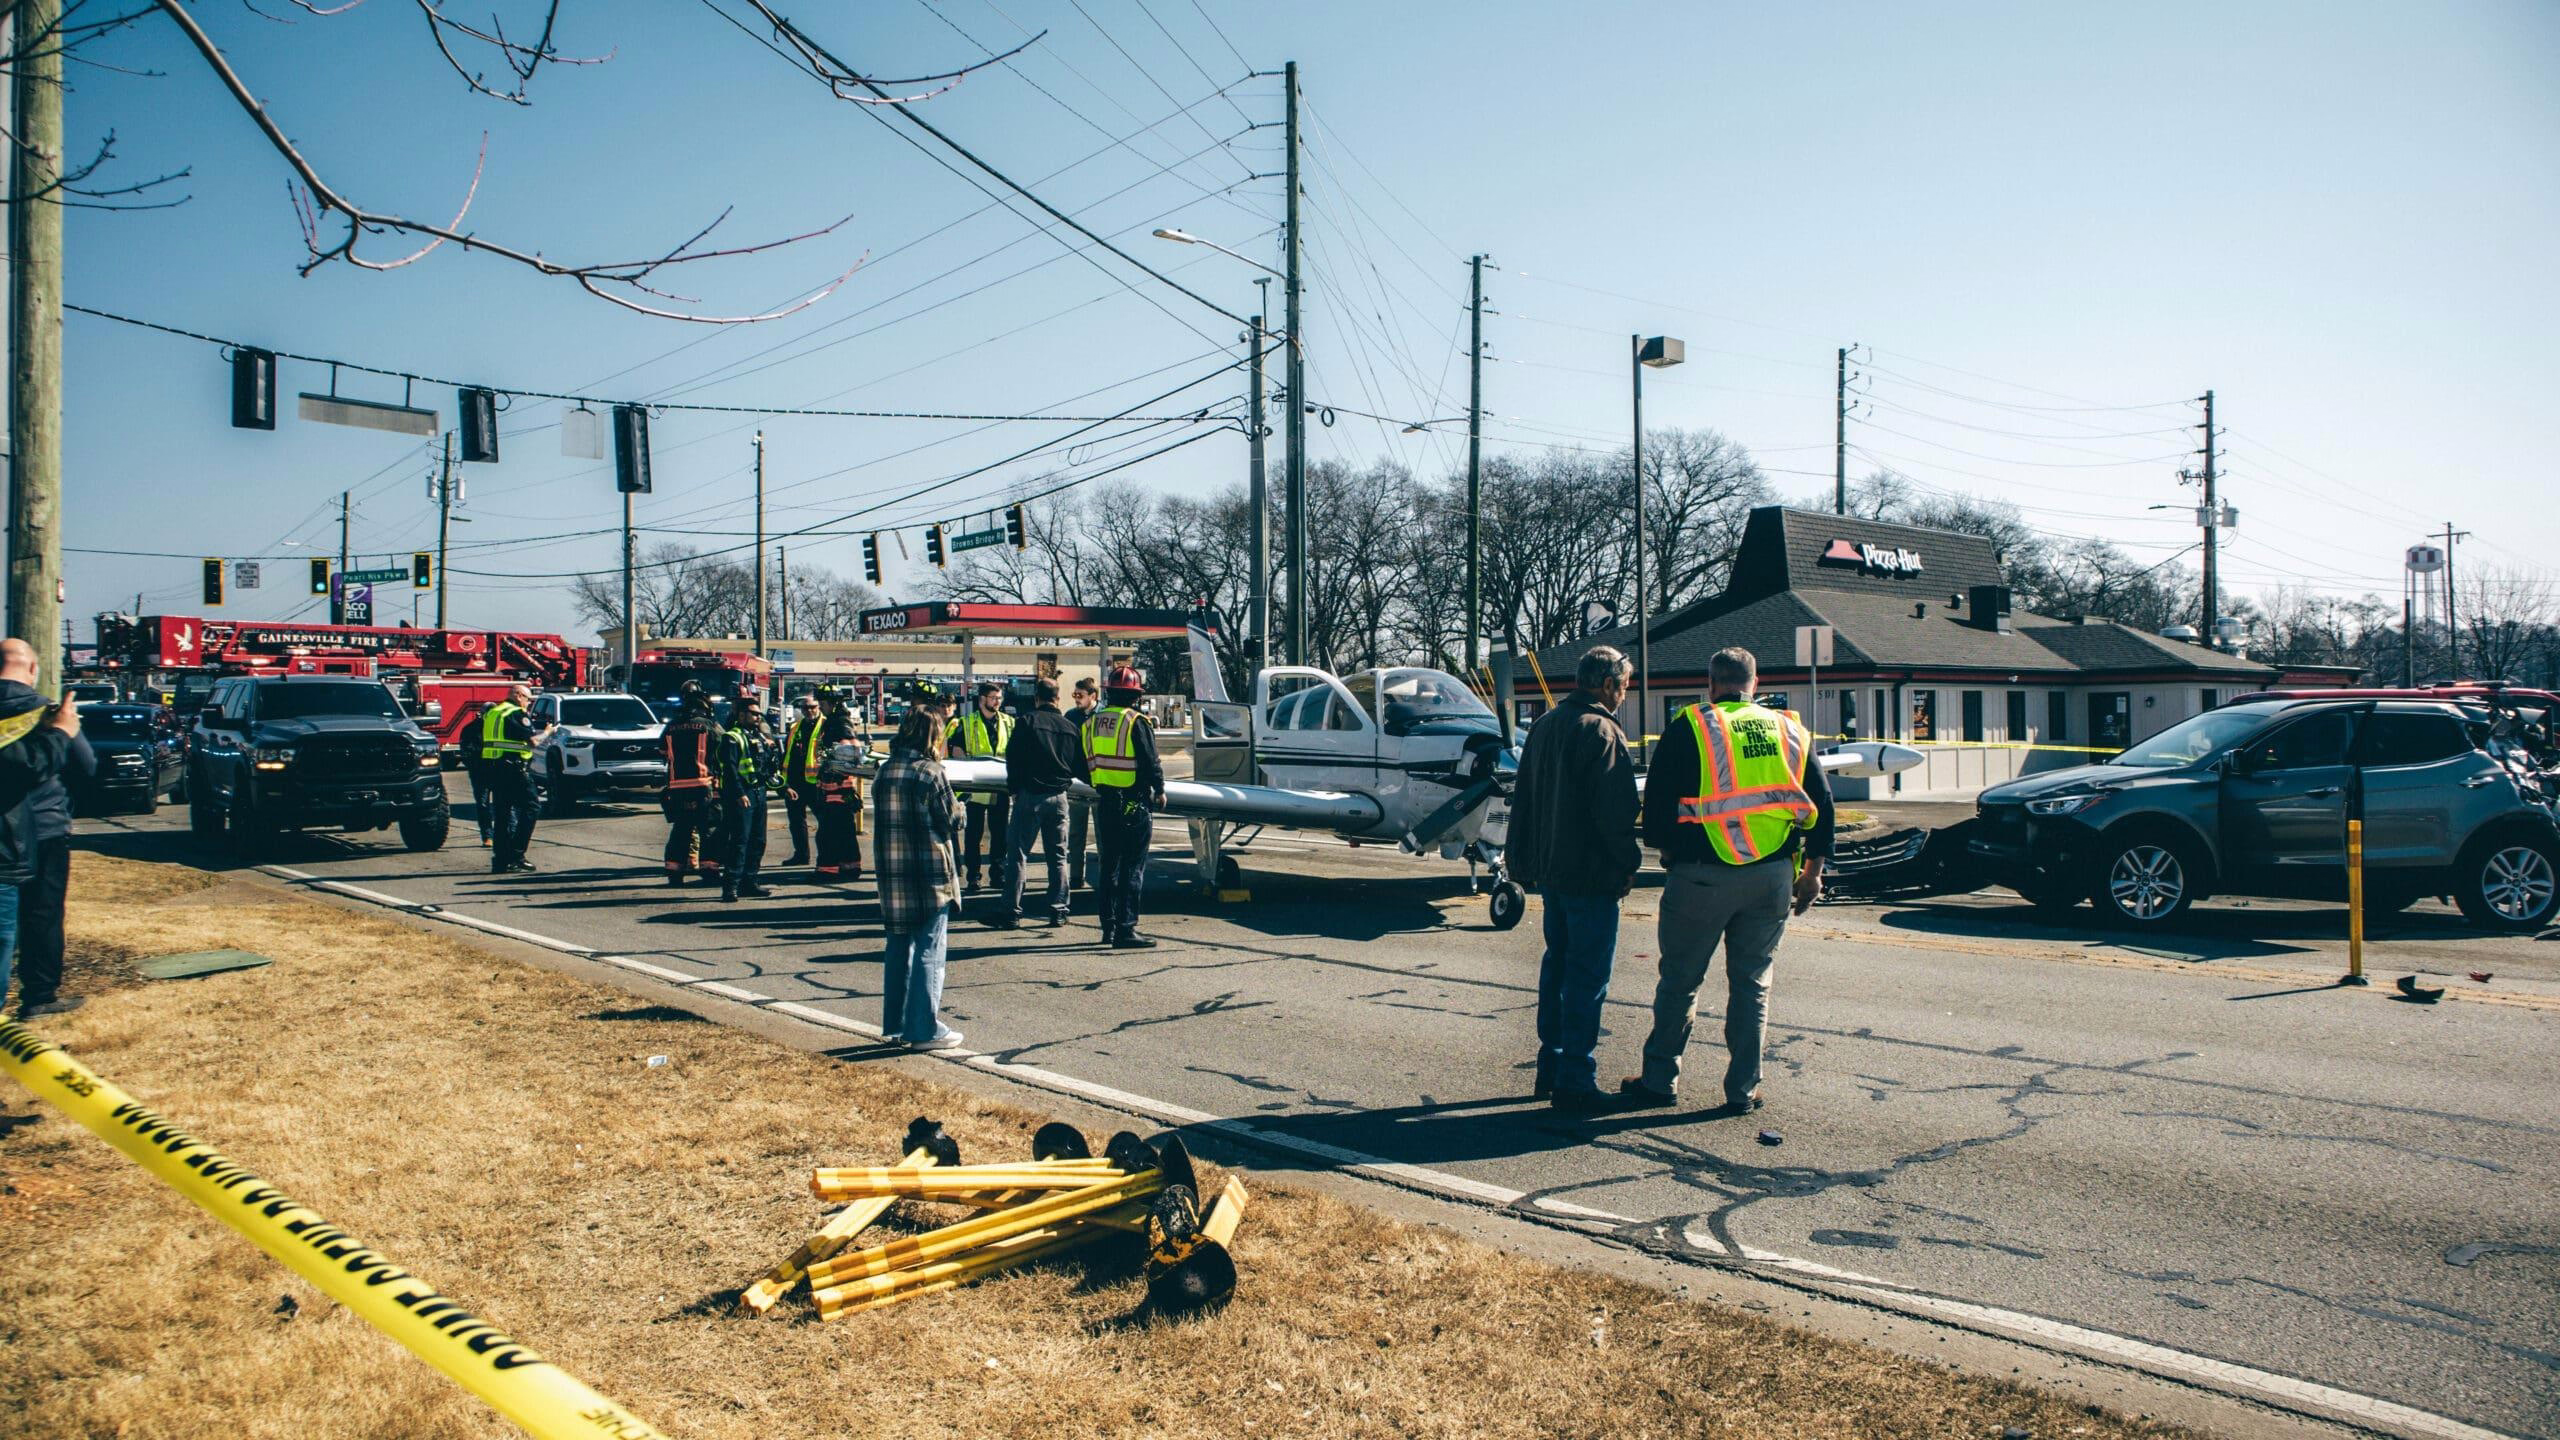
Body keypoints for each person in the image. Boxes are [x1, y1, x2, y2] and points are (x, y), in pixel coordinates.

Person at [1620, 646, 1831, 1115]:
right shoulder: (1790, 729)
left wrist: (1670, 852)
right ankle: (1743, 1090)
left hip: (1701, 875)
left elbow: (1654, 812)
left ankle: (1659, 1082)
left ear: (1711, 684)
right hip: (1773, 875)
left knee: (1680, 981)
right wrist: (1812, 873)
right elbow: (1824, 808)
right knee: (1753, 984)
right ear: (1756, 684)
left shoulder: (1693, 725)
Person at [1505, 645, 1641, 1113]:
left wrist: (1522, 860)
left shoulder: (1544, 725)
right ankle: (1576, 1077)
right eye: (1623, 685)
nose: (1624, 694)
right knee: (1586, 977)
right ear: (1606, 684)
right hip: (1590, 873)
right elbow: (1615, 811)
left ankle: (1552, 1062)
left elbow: (1523, 800)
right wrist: (1629, 863)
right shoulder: (1600, 730)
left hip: (1552, 871)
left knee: (1557, 968)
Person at [874, 693, 963, 1049]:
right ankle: (924, 1028)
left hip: (892, 872)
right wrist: (962, 809)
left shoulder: (885, 771)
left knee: (898, 947)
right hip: (929, 873)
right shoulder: (931, 772)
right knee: (930, 949)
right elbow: (951, 819)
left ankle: (895, 1024)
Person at [10, 650, 90, 1019]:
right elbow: (85, 766)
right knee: (43, 913)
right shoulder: (49, 713)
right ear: (33, 669)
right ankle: (40, 995)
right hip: (45, 827)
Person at [1082, 664, 1165, 949]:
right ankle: (1126, 929)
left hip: (1105, 800)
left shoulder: (1092, 722)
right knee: (1132, 866)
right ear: (1135, 695)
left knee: (1109, 866)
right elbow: (1150, 760)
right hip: (1134, 802)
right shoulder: (1136, 721)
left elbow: (1085, 762)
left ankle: (1108, 927)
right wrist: (1160, 789)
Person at [994, 676, 1087, 928]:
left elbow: (1013, 759)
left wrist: (1015, 789)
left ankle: (1011, 911)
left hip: (1030, 795)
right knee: (1057, 856)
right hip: (1059, 798)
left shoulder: (1026, 722)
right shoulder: (1070, 727)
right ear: (1058, 699)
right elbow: (1080, 766)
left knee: (1017, 854)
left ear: (1036, 698)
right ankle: (1058, 910)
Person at [946, 681, 1015, 894]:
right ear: (982, 699)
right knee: (973, 836)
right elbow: (956, 752)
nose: (998, 702)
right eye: (994, 698)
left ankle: (998, 874)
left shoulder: (1009, 722)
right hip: (975, 790)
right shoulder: (966, 723)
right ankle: (973, 877)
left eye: (1000, 698)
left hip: (1000, 787)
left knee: (1000, 835)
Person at [474, 684, 549, 875]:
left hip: (494, 768)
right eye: (527, 699)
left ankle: (500, 860)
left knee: (502, 814)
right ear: (517, 695)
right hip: (514, 768)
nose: (528, 703)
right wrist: (549, 732)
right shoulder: (515, 713)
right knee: (532, 807)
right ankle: (517, 855)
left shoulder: (493, 713)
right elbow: (532, 742)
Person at [715, 691, 779, 902]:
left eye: (759, 714)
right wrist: (739, 794)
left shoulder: (759, 736)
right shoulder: (731, 737)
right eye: (753, 714)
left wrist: (783, 787)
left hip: (760, 792)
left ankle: (750, 882)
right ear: (741, 715)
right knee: (740, 841)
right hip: (742, 794)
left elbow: (767, 768)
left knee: (758, 840)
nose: (757, 717)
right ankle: (730, 886)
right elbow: (730, 770)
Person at [661, 683, 724, 885]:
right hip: (704, 785)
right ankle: (709, 870)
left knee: (681, 830)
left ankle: (674, 872)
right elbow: (723, 749)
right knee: (709, 829)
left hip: (677, 787)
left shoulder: (671, 727)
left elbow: (663, 752)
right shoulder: (709, 726)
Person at [808, 687, 864, 883]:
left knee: (829, 834)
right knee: (843, 832)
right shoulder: (834, 722)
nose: (820, 708)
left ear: (833, 704)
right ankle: (849, 868)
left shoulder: (840, 724)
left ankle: (828, 871)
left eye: (822, 704)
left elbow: (852, 754)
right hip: (834, 788)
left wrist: (831, 768)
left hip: (838, 789)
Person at [1064, 675, 1098, 889]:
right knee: (1076, 832)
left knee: (1104, 832)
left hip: (1100, 781)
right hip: (1077, 781)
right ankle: (1076, 876)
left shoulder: (1104, 716)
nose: (1076, 699)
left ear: (1092, 696)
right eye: (1074, 695)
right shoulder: (1070, 716)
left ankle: (1105, 875)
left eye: (1080, 695)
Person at [779, 693, 821, 866]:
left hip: (817, 783)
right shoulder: (795, 727)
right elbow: (786, 755)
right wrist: (784, 783)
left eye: (813, 707)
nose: (809, 711)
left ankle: (827, 857)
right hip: (795, 782)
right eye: (806, 708)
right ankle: (801, 855)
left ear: (818, 707)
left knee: (825, 821)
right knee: (796, 821)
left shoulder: (826, 725)